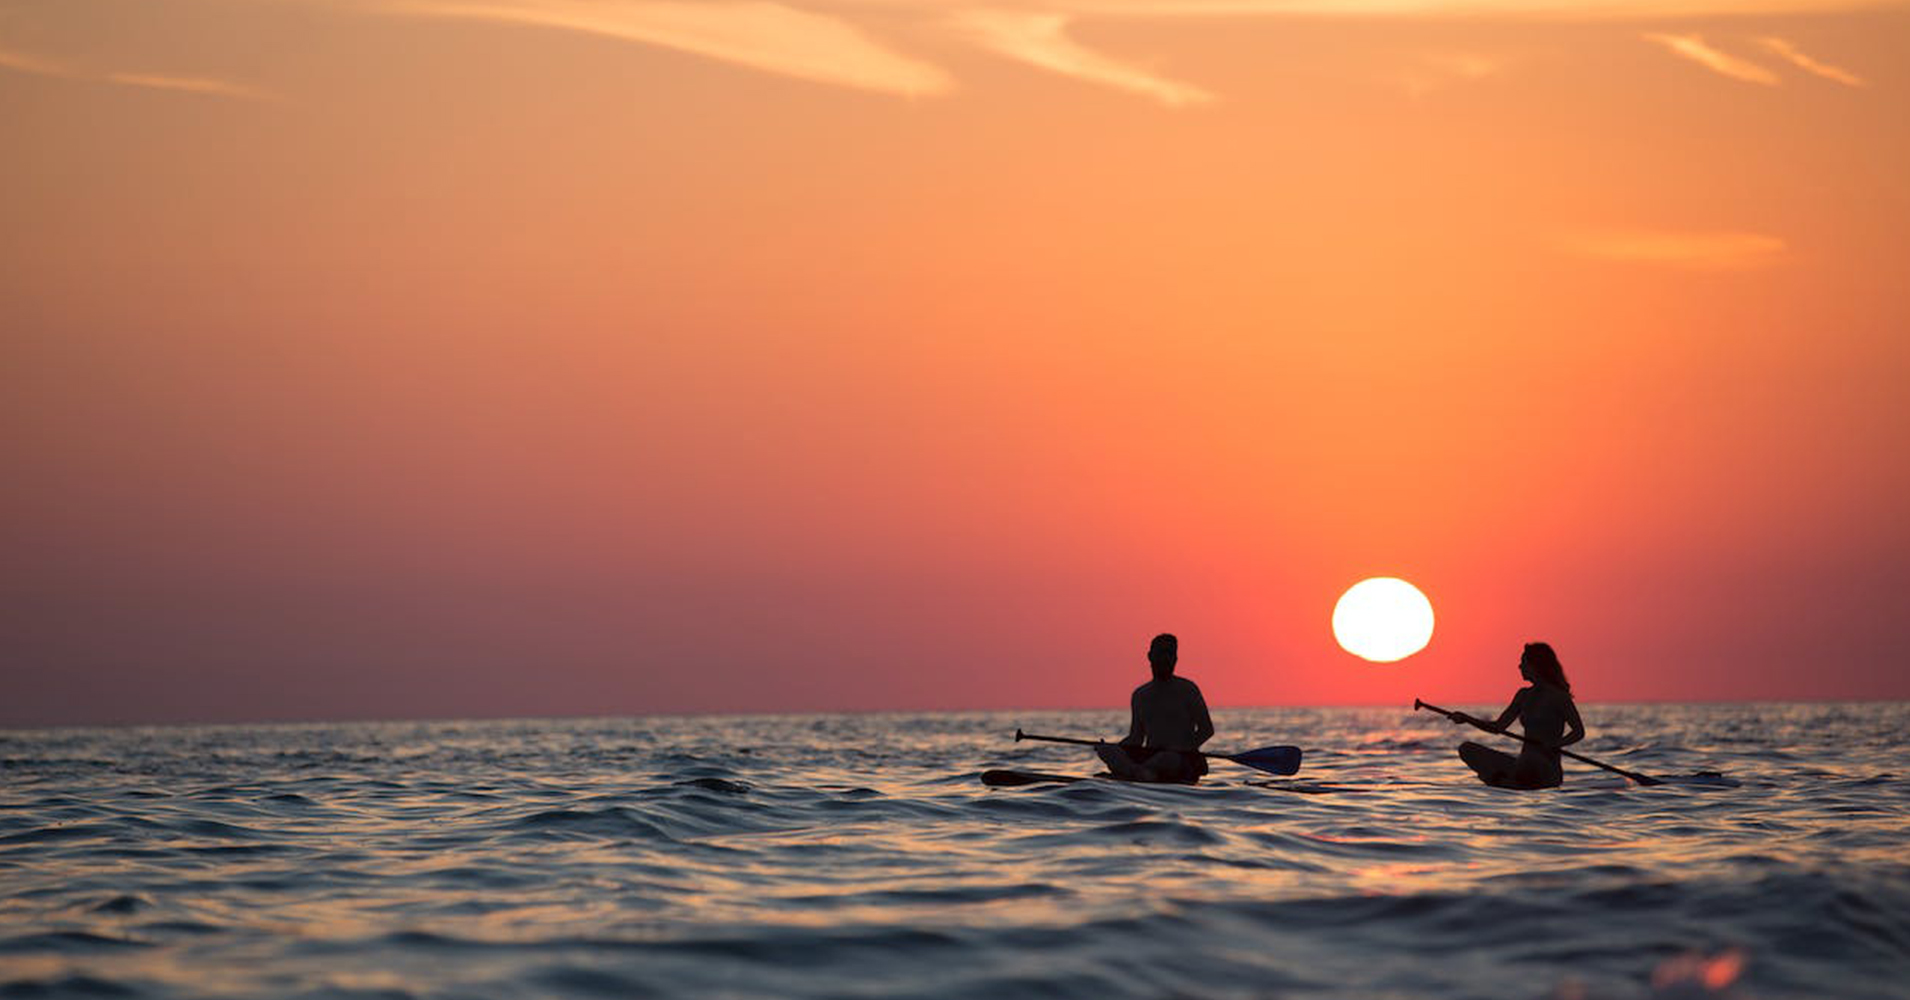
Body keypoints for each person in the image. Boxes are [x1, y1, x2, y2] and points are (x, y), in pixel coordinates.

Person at [1450, 641, 1585, 789]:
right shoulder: (1523, 695)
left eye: (1523, 662)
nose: (1520, 667)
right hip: (1523, 764)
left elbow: (1578, 732)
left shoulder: (1558, 697)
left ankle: (1503, 781)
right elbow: (1497, 727)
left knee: (1531, 759)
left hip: (1546, 768)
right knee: (1467, 749)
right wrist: (1466, 719)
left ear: (1536, 665)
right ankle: (1507, 780)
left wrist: (1554, 744)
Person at [1097, 633, 1215, 783]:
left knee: (1166, 759)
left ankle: (1135, 772)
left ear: (1176, 659)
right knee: (1109, 752)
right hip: (1150, 755)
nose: (1166, 658)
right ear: (1150, 656)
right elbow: (1136, 738)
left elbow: (1207, 730)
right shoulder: (1140, 695)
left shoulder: (1188, 689)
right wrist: (1114, 748)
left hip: (1179, 758)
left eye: (1170, 654)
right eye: (1162, 653)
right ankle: (1140, 772)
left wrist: (1182, 747)